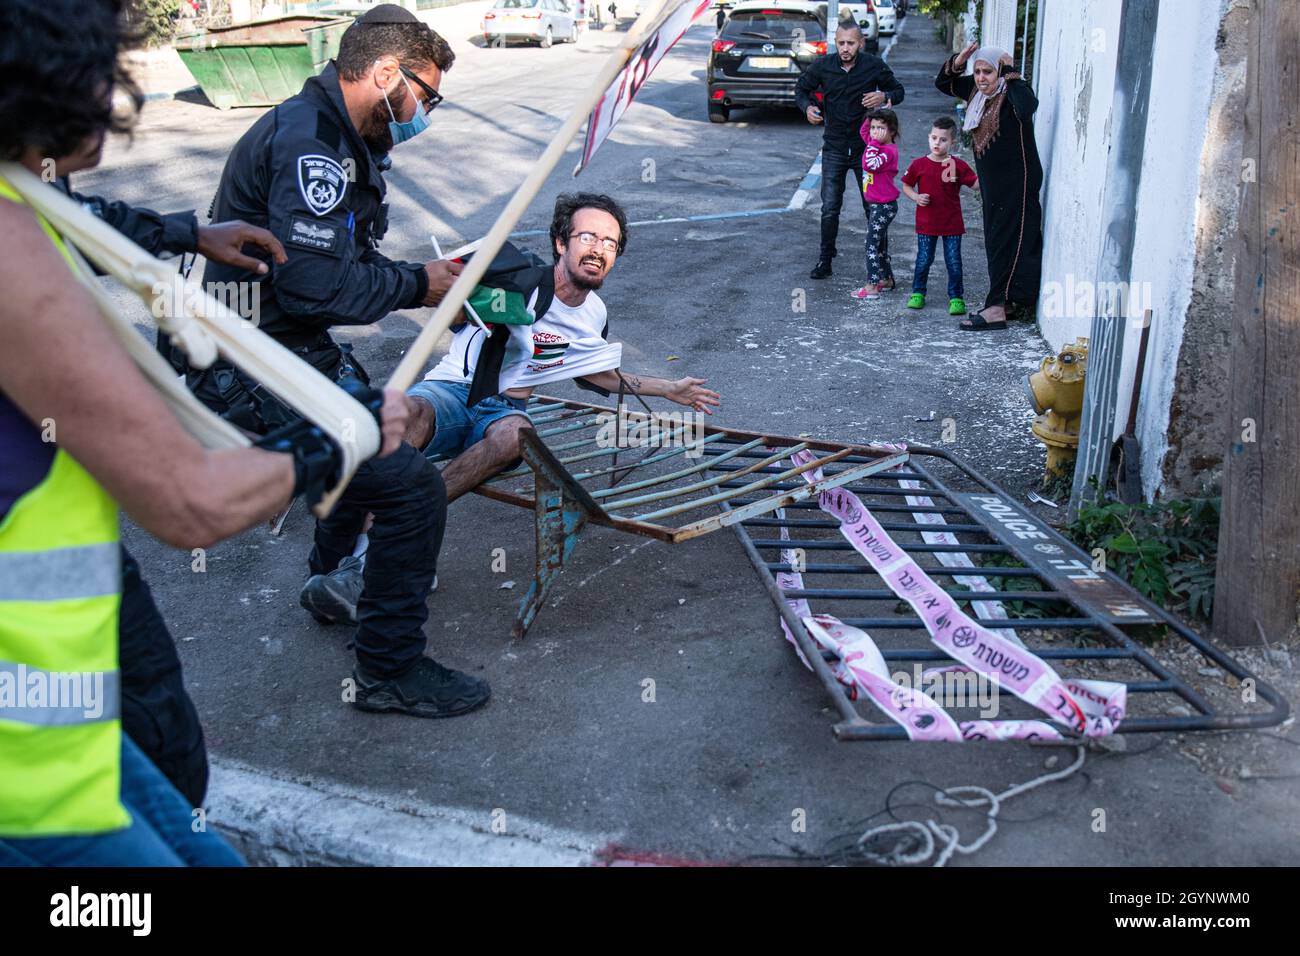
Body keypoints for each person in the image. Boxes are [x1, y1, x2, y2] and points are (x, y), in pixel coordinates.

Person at [0, 0, 413, 864]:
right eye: (107, 70)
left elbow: (79, 219)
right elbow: (190, 503)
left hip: (61, 695)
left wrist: (189, 231)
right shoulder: (8, 254)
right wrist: (348, 431)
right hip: (28, 775)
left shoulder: (23, 193)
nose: (122, 99)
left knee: (179, 782)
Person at [190, 4, 491, 719]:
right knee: (410, 487)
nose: (425, 111)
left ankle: (332, 577)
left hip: (287, 345)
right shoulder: (312, 147)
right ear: (386, 72)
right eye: (426, 93)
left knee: (380, 427)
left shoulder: (338, 136)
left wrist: (422, 274)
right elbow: (313, 283)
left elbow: (335, 260)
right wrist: (420, 285)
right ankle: (389, 668)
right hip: (255, 358)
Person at [400, 193, 721, 504]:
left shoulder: (594, 313)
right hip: (452, 389)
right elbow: (453, 311)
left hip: (504, 408)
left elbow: (594, 374)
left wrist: (669, 389)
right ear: (560, 243)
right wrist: (453, 295)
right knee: (407, 413)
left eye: (610, 243)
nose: (599, 249)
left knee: (517, 436)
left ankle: (416, 513)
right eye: (588, 237)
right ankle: (366, 509)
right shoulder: (515, 278)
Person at [936, 43, 1043, 331]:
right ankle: (1006, 301)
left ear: (1000, 71)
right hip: (994, 185)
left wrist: (1011, 74)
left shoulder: (1012, 94)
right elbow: (943, 83)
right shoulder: (975, 91)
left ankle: (996, 307)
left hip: (1017, 180)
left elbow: (1027, 107)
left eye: (988, 72)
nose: (981, 77)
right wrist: (959, 62)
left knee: (1011, 239)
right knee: (997, 240)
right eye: (978, 71)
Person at [795, 20, 905, 280]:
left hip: (866, 151)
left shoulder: (873, 65)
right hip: (833, 147)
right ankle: (825, 259)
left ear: (861, 43)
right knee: (830, 207)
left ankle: (882, 266)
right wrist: (807, 107)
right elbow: (801, 88)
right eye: (841, 42)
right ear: (836, 42)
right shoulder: (823, 65)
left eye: (851, 43)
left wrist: (883, 97)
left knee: (873, 208)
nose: (845, 48)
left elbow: (899, 91)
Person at [900, 115, 978, 316]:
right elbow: (906, 185)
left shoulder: (958, 165)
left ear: (952, 142)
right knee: (924, 259)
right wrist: (916, 197)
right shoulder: (919, 164)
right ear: (929, 137)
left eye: (943, 140)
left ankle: (956, 297)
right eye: (934, 138)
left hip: (952, 223)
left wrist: (990, 174)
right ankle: (917, 293)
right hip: (927, 223)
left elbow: (975, 184)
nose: (937, 143)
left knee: (953, 261)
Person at [852, 107, 900, 301]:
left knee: (871, 244)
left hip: (884, 206)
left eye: (880, 128)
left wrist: (873, 142)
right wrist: (873, 114)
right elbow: (863, 132)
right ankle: (886, 279)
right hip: (877, 205)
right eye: (873, 127)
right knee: (879, 245)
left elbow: (869, 165)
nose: (874, 132)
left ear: (892, 132)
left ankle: (872, 285)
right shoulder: (875, 143)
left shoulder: (887, 151)